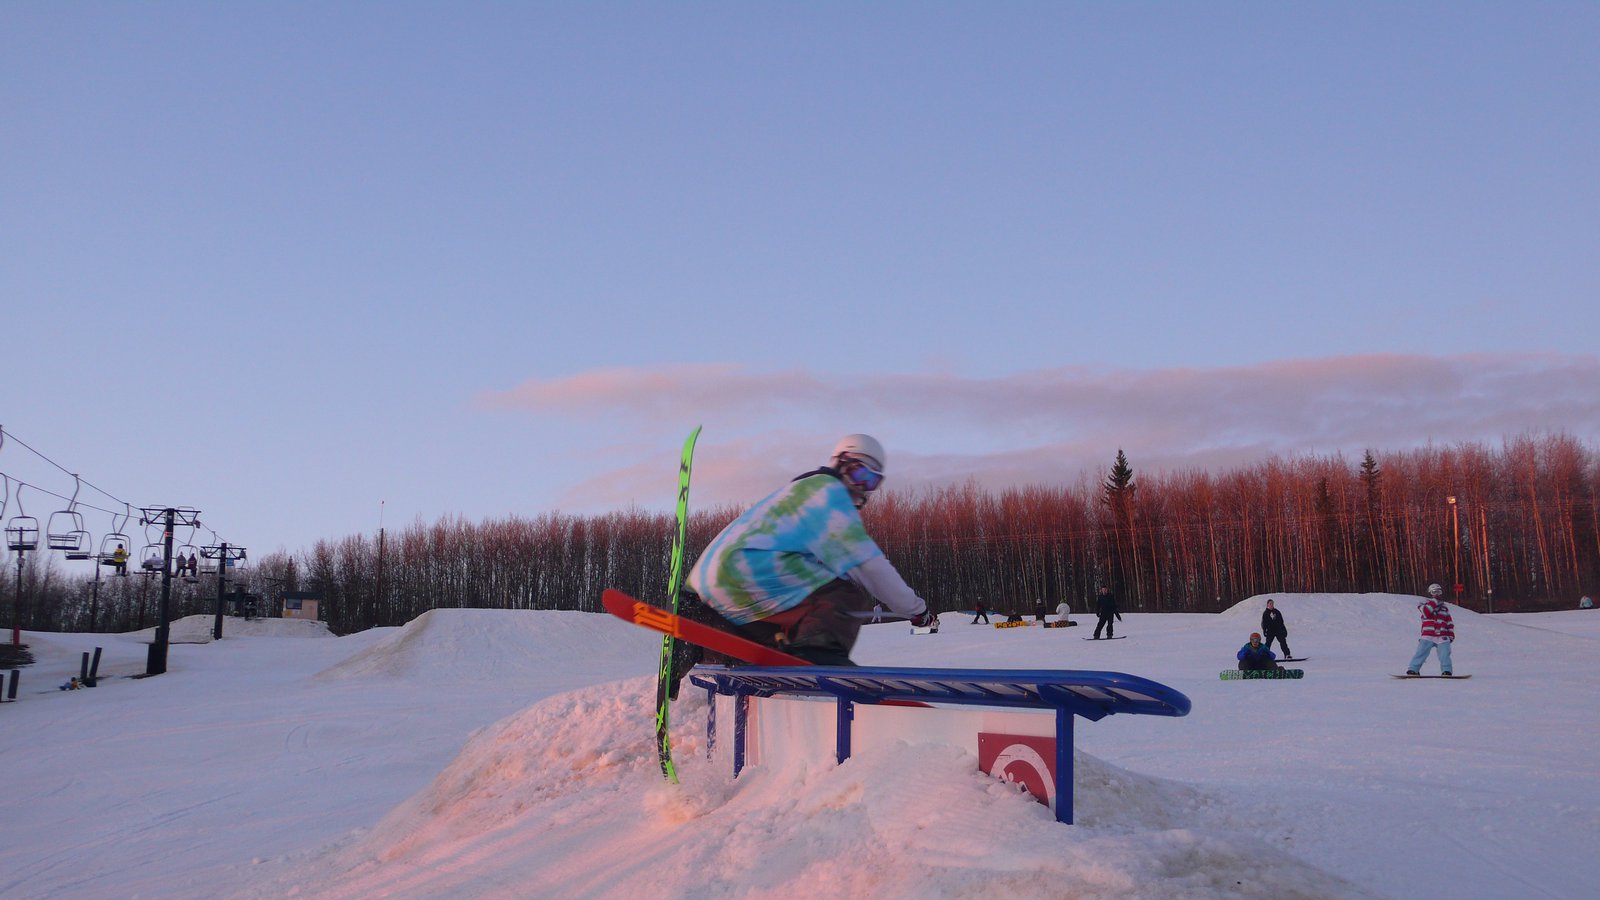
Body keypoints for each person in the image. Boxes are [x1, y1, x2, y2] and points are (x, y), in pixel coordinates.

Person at [682, 434, 937, 667]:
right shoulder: (829, 494)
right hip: (749, 575)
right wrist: (917, 611)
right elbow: (871, 567)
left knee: (780, 642)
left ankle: (706, 645)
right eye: (859, 473)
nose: (861, 486)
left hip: (711, 591)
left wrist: (694, 593)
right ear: (838, 463)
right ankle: (818, 652)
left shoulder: (792, 494)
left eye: (872, 481)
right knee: (843, 593)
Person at [1406, 583, 1455, 676]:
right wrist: (1434, 601)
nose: (1437, 594)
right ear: (1430, 593)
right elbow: (1427, 612)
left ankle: (1446, 670)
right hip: (1428, 634)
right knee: (1421, 652)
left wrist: (1451, 635)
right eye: (1434, 592)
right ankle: (1413, 669)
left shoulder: (1444, 608)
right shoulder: (1424, 605)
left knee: (1445, 654)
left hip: (1442, 635)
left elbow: (1449, 622)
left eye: (1439, 592)